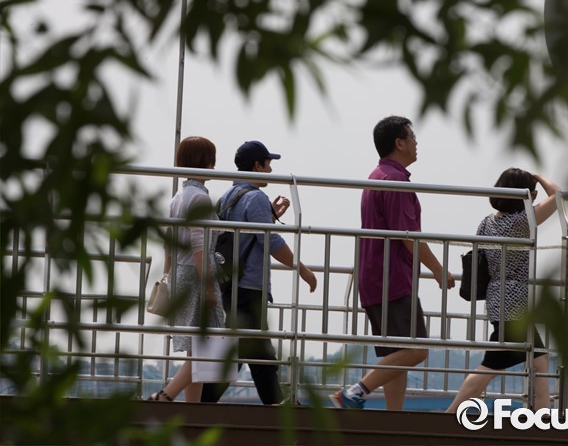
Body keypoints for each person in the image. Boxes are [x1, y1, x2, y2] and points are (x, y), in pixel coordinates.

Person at [330, 116, 456, 411]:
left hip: (375, 276)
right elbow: (408, 235)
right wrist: (438, 269)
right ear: (399, 143)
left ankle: (392, 417)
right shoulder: (396, 181)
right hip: (393, 277)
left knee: (397, 353)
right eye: (412, 137)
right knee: (417, 349)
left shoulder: (376, 176)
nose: (416, 142)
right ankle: (354, 392)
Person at [201, 140, 317, 405]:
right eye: (268, 164)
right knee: (256, 349)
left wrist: (270, 215)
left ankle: (210, 403)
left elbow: (245, 235)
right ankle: (275, 406)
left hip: (230, 284)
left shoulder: (228, 197)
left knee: (247, 349)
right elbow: (270, 241)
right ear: (257, 165)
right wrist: (302, 269)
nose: (271, 170)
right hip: (249, 286)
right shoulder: (255, 198)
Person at [445, 168, 560, 413]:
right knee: (491, 365)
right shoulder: (521, 221)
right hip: (515, 301)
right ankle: (451, 412)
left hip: (496, 295)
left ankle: (542, 417)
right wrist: (538, 177)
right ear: (523, 195)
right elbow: (558, 196)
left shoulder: (487, 222)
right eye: (531, 194)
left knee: (539, 361)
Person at [149, 136, 226, 402]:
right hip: (197, 274)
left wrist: (167, 275)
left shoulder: (178, 197)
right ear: (204, 161)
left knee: (197, 347)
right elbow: (199, 246)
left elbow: (169, 243)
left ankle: (192, 408)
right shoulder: (200, 199)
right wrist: (208, 286)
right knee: (206, 348)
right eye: (211, 160)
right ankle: (166, 395)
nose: (214, 165)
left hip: (181, 273)